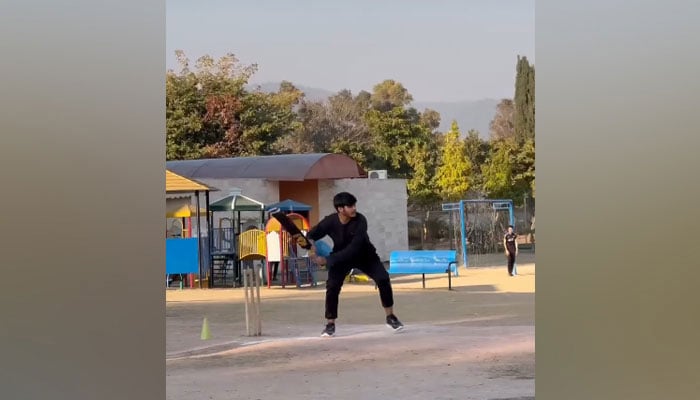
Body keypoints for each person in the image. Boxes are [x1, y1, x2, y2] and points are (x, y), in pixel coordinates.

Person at [304, 192, 403, 337]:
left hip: (365, 255)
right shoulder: (330, 221)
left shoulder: (360, 220)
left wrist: (327, 260)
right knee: (332, 286)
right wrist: (311, 245)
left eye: (354, 205)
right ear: (340, 209)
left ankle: (390, 317)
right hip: (341, 257)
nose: (354, 209)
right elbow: (311, 234)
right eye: (350, 206)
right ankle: (330, 324)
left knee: (383, 278)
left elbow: (353, 249)